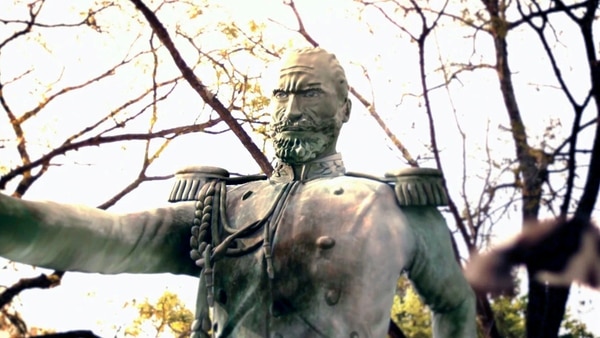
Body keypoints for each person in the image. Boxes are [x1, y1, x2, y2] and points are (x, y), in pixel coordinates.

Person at [0, 47, 476, 337]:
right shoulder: (220, 207)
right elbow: (110, 237)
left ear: (345, 109)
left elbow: (454, 305)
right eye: (280, 95)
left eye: (309, 93)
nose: (290, 110)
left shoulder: (396, 209)